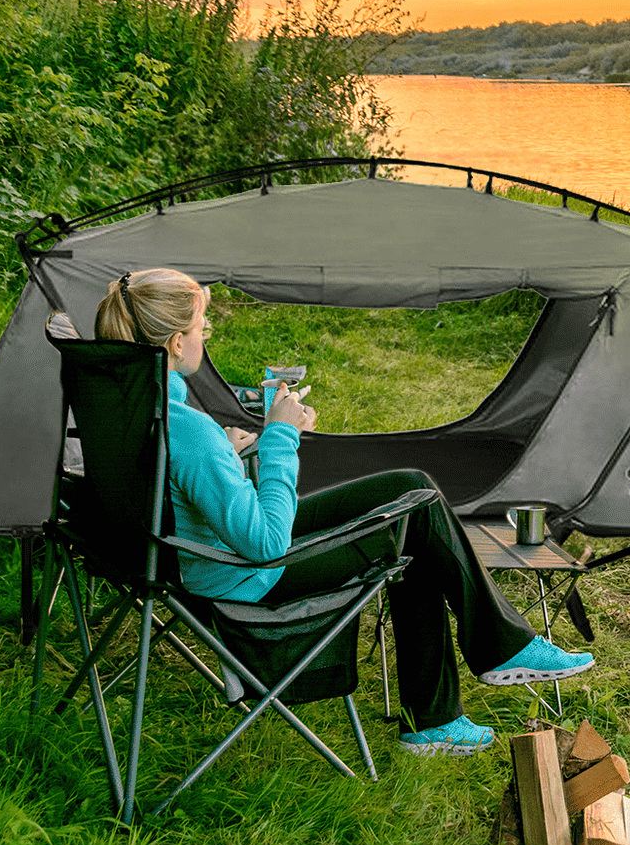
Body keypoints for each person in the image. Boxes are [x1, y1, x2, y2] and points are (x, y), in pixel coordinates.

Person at [94, 266, 592, 754]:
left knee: (410, 491)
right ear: (176, 344)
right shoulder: (192, 433)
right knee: (413, 525)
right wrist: (280, 438)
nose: (207, 332)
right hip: (242, 574)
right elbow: (265, 544)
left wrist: (229, 452)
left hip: (185, 557)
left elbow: (178, 479)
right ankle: (467, 683)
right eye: (203, 325)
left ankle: (465, 686)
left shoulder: (128, 408)